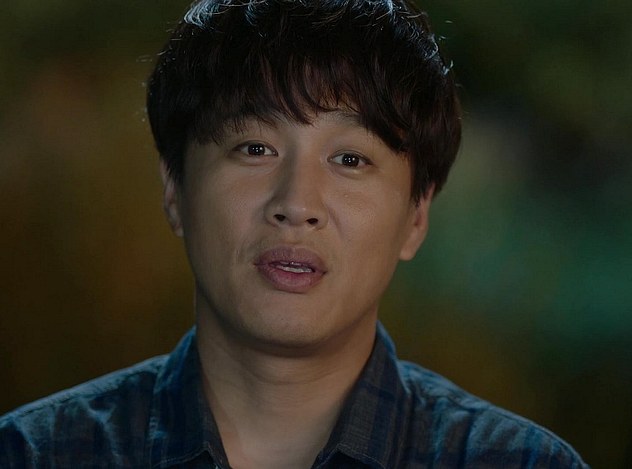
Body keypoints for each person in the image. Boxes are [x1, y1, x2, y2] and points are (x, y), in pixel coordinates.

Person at [0, 0, 588, 467]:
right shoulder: (34, 453)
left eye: (350, 159)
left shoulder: (518, 462)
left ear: (416, 217)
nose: (297, 204)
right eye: (255, 148)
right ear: (175, 189)